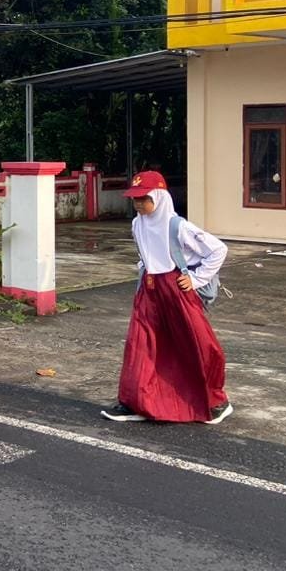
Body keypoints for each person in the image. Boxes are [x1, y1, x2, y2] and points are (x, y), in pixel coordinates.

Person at [102, 170, 232, 424]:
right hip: (149, 291)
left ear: (159, 197)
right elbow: (145, 255)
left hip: (177, 291)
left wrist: (196, 279)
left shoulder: (177, 226)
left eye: (144, 198)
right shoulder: (137, 224)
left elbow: (218, 250)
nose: (138, 204)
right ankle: (135, 402)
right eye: (135, 198)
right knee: (141, 346)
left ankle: (216, 402)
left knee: (198, 344)